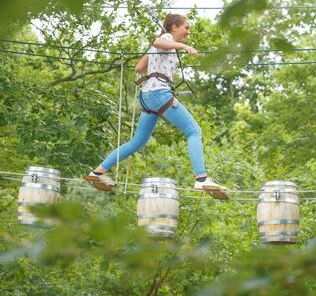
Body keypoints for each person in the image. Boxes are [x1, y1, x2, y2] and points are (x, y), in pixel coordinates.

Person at [86, 14, 226, 195]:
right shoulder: (166, 39)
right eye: (186, 28)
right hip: (159, 93)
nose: (188, 32)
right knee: (194, 131)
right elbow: (158, 42)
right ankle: (201, 178)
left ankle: (97, 172)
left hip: (147, 96)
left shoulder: (165, 44)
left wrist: (153, 52)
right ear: (174, 27)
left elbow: (139, 67)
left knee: (137, 142)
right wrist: (182, 46)